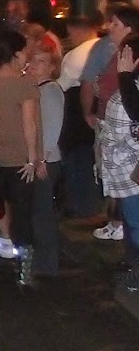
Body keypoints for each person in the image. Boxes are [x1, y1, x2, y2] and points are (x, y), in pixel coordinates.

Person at [0, 30, 42, 285]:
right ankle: (24, 272)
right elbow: (30, 124)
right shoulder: (25, 85)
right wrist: (33, 158)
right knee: (23, 214)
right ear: (16, 54)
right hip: (17, 158)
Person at [82, 4, 139, 242]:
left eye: (115, 23)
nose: (109, 28)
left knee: (133, 213)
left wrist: (124, 76)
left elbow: (134, 109)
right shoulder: (111, 51)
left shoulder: (128, 61)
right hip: (120, 142)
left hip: (127, 150)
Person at [58, 13, 107, 219]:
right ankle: (97, 205)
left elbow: (62, 85)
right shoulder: (105, 47)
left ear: (77, 30)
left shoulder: (76, 55)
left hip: (77, 110)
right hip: (99, 106)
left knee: (78, 157)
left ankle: (83, 207)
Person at [26, 46, 64, 279]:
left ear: (51, 67)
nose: (34, 65)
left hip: (47, 160)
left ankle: (48, 264)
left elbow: (51, 127)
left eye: (41, 61)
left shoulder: (49, 91)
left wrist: (42, 159)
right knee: (38, 211)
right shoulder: (36, 90)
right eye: (33, 60)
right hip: (41, 158)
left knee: (42, 212)